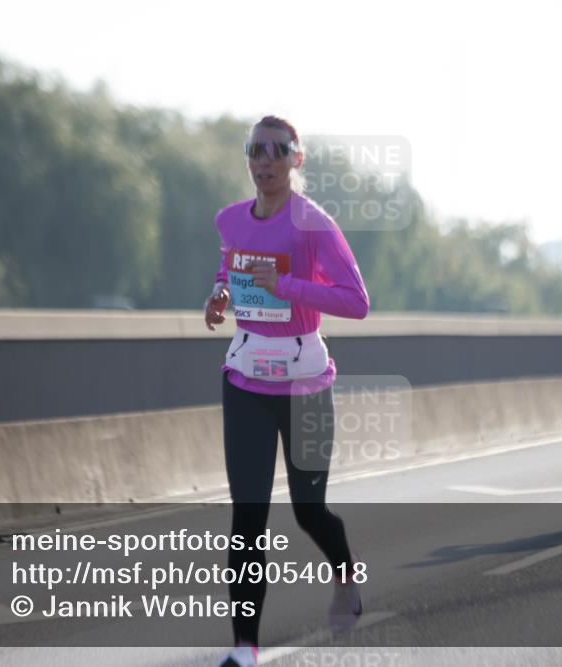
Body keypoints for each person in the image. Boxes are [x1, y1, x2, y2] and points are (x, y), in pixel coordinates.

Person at [204, 116, 370, 667]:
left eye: (277, 150)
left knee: (308, 510)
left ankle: (345, 572)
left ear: (296, 160)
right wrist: (220, 296)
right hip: (247, 379)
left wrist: (292, 287)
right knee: (247, 514)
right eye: (255, 149)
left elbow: (355, 300)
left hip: (305, 383)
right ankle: (245, 648)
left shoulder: (313, 224)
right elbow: (232, 270)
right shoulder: (230, 220)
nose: (264, 158)